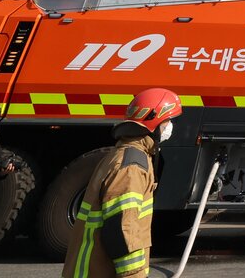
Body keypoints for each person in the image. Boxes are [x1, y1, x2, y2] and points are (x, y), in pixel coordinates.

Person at [62, 88, 182, 278]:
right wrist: (133, 275)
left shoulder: (126, 155)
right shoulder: (131, 166)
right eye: (168, 121)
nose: (170, 127)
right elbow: (120, 229)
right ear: (154, 121)